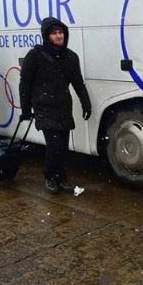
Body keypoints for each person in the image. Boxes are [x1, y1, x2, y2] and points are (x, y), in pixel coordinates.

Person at [19, 17, 91, 194]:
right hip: (44, 106)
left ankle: (62, 179)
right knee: (54, 145)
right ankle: (50, 177)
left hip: (63, 107)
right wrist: (26, 109)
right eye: (54, 33)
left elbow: (78, 83)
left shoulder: (71, 57)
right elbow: (25, 83)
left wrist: (86, 103)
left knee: (63, 146)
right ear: (46, 36)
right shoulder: (35, 55)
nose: (59, 36)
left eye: (61, 33)